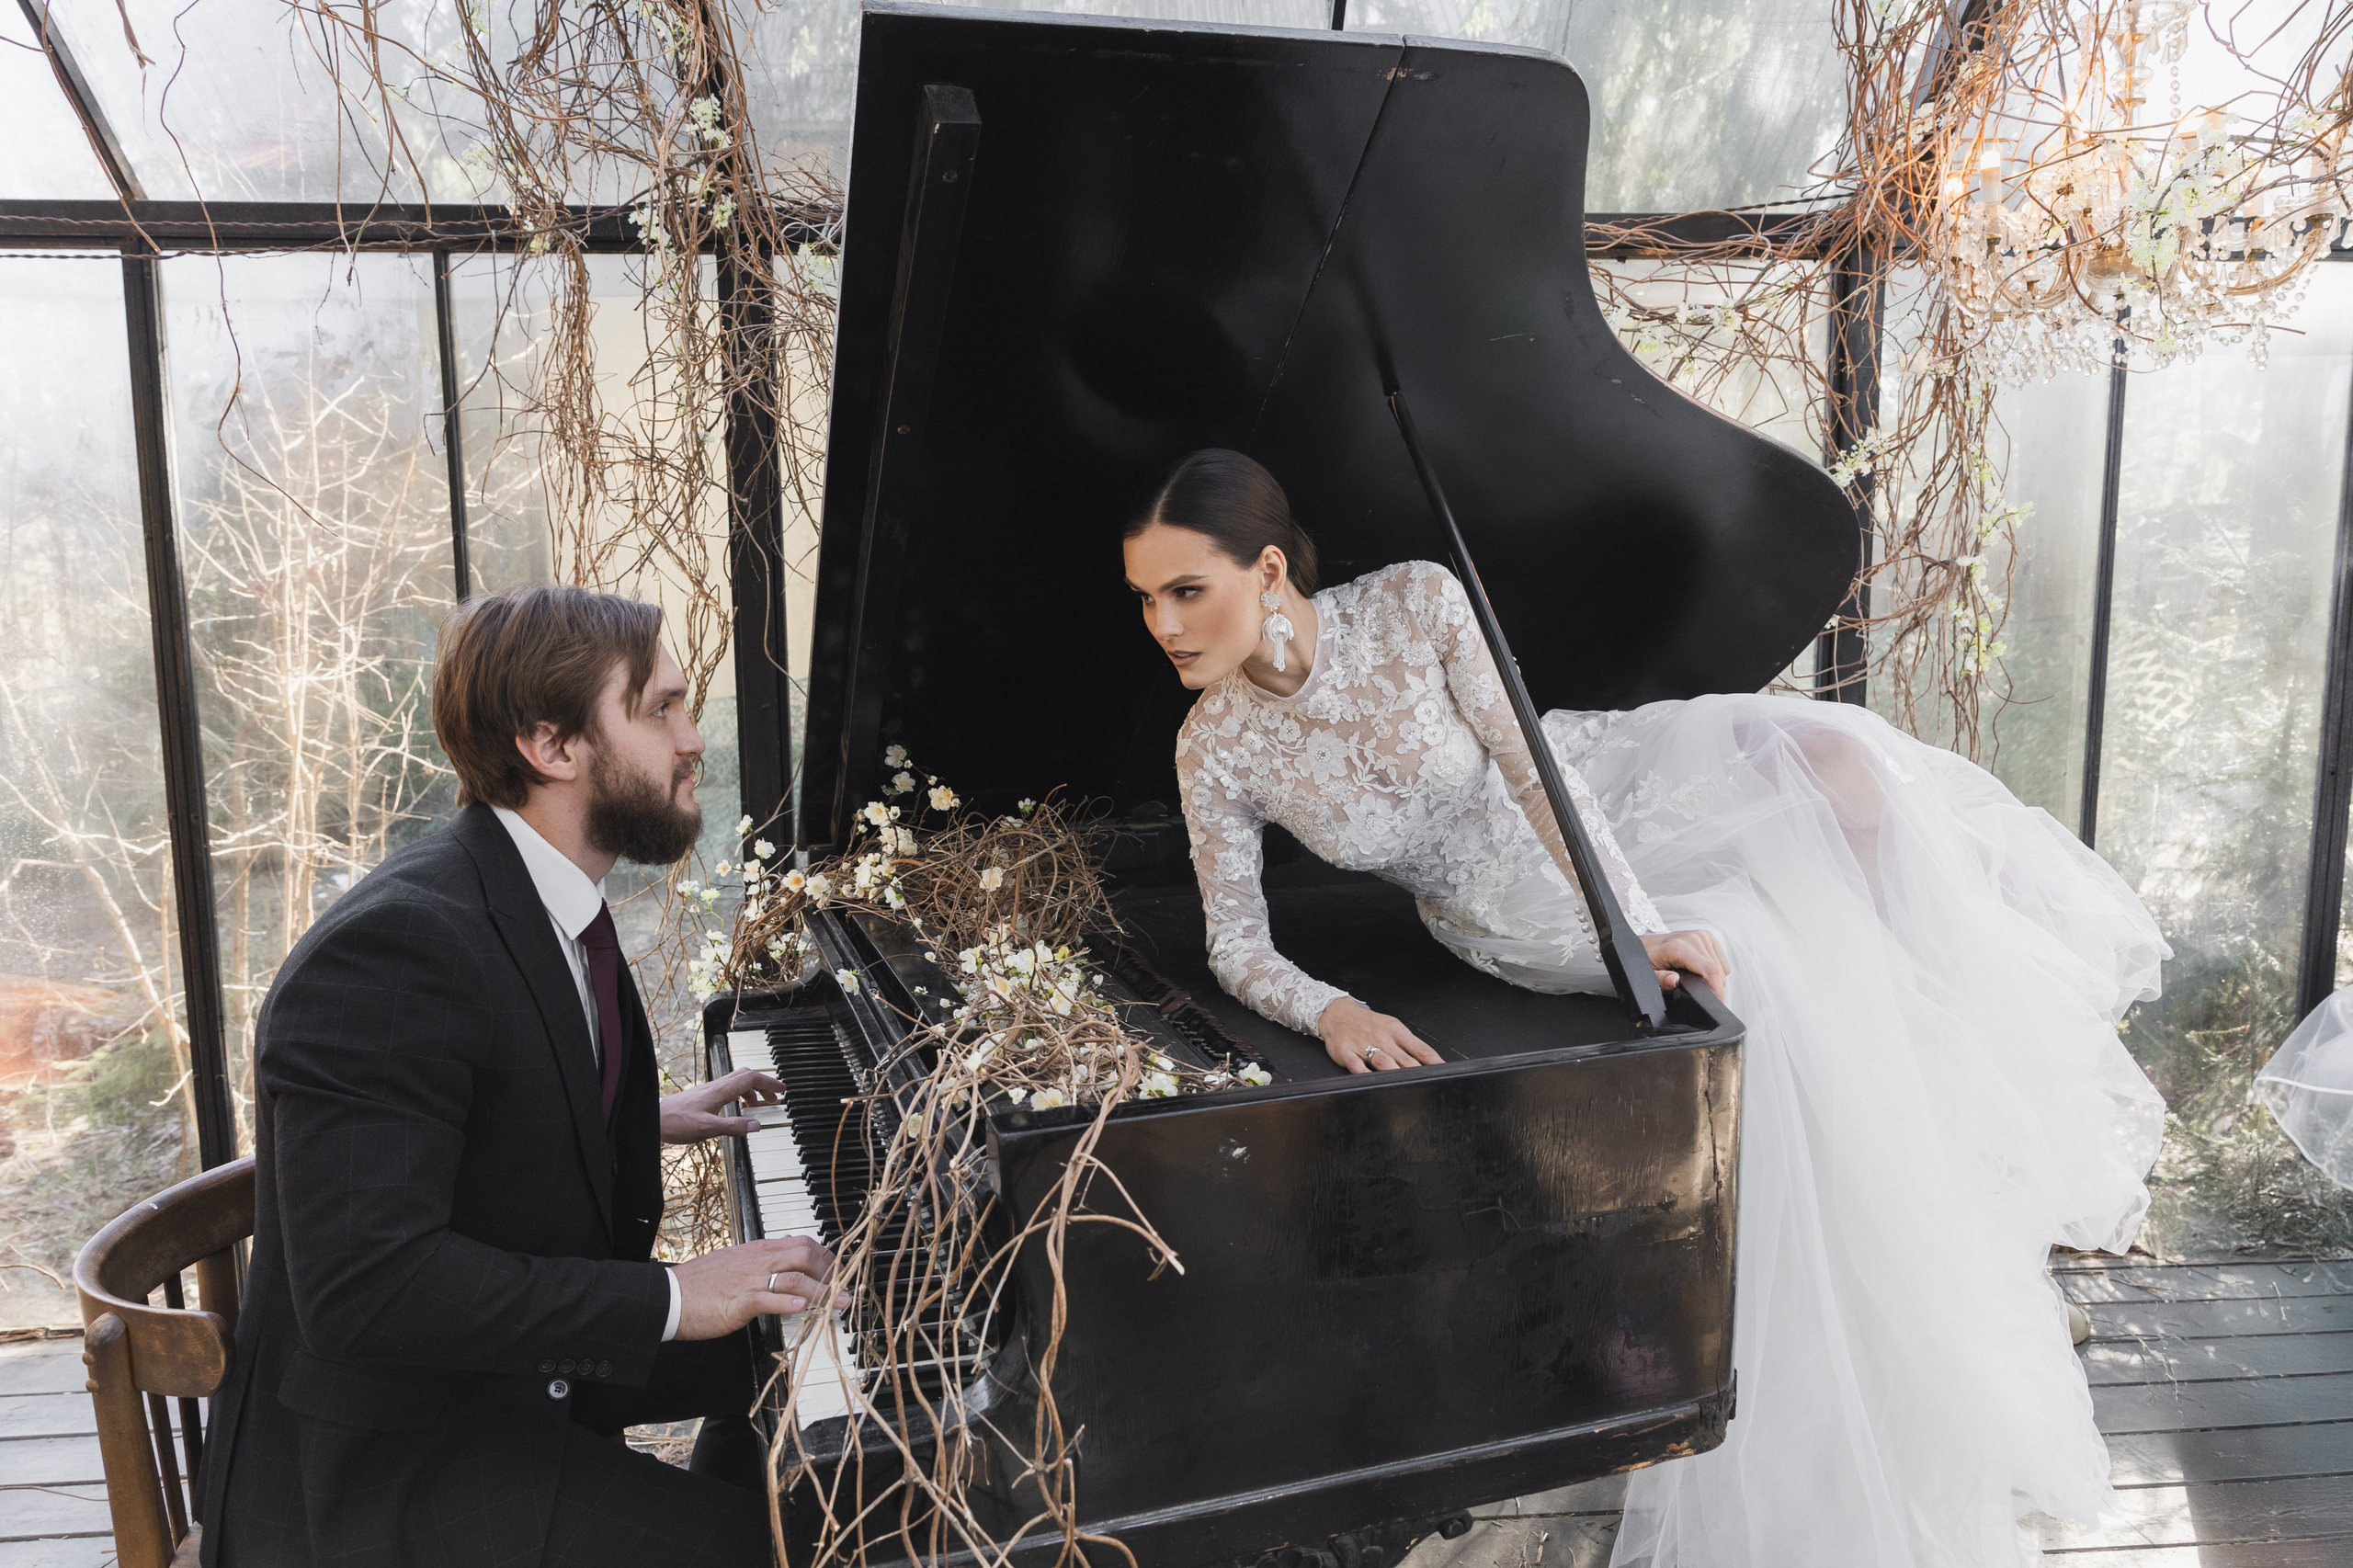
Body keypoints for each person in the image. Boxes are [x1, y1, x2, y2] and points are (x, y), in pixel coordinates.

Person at [1122, 449, 2171, 1568]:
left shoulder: (1416, 598)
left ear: (1267, 567)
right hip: (1499, 900)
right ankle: (1876, 1330)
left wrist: (1629, 915)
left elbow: (1531, 763)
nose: (1164, 624)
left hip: (1584, 788)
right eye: (1145, 597)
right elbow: (1237, 941)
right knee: (1757, 955)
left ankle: (1976, 1196)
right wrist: (1331, 1010)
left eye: (1186, 588)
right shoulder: (1215, 743)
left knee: (1836, 755)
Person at [201, 586, 831, 1568]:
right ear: (553, 744)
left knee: (785, 1350)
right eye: (659, 708)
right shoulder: (396, 947)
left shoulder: (535, 890)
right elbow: (369, 1288)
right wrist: (672, 1296)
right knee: (779, 1542)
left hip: (485, 1382)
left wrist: (634, 1113)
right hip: (390, 1469)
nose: (694, 737)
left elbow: (484, 1076)